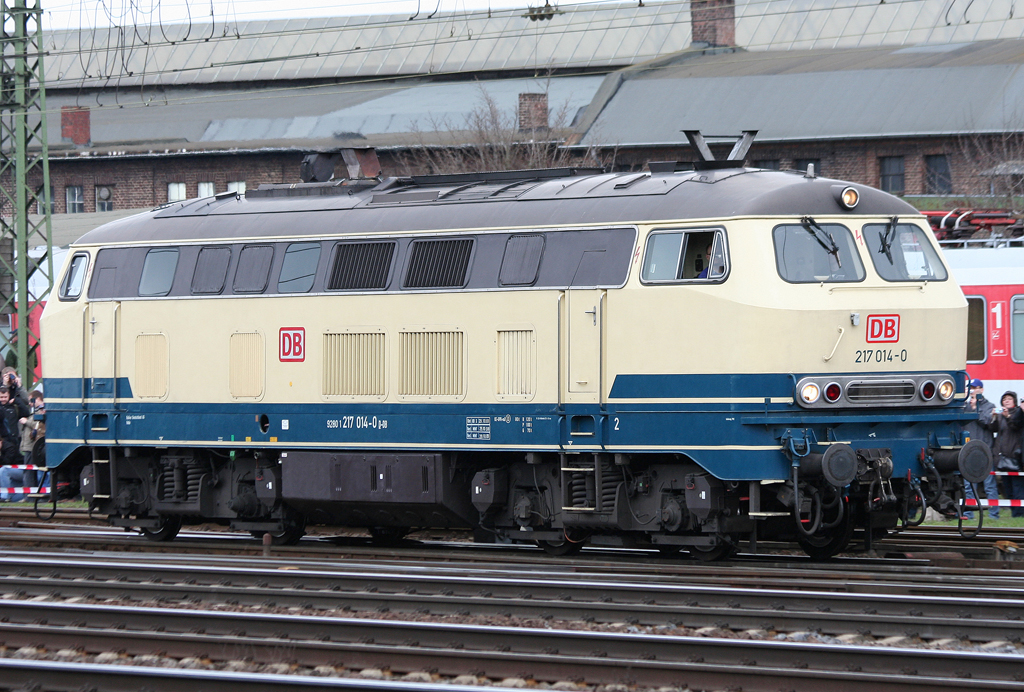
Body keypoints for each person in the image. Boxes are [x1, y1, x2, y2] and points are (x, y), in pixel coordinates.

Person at [963, 378, 999, 519]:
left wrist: (975, 409)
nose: (973, 390)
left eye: (976, 387)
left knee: (989, 485)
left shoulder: (989, 405)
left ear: (981, 390)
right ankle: (968, 514)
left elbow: (987, 421)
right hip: (968, 452)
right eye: (971, 387)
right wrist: (970, 408)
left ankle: (994, 515)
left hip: (985, 451)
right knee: (969, 486)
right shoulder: (964, 406)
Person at [993, 391, 1024, 518]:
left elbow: (1015, 426)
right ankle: (1013, 512)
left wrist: (1008, 417)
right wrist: (994, 416)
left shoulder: (1018, 414)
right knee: (1007, 488)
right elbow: (992, 428)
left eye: (1009, 399)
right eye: (1004, 398)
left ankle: (1018, 514)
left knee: (1017, 487)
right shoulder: (1000, 415)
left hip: (1014, 455)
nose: (1006, 401)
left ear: (1015, 401)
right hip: (1002, 456)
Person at [0, 386, 25, 501]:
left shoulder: (13, 407)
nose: (3, 399)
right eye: (1, 397)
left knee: (4, 471)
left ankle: (5, 496)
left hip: (13, 443)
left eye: (5, 396)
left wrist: (17, 400)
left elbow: (26, 411)